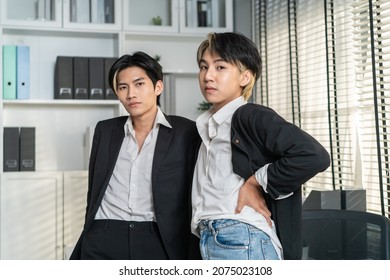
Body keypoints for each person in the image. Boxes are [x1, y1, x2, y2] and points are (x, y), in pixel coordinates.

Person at [191, 32, 330, 260]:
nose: (208, 76)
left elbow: (314, 156)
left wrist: (255, 182)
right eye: (204, 67)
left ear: (245, 77)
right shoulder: (208, 126)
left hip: (241, 237)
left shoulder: (250, 115)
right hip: (213, 237)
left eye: (220, 67)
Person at [70, 51, 201, 260]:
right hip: (103, 234)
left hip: (158, 238)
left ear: (158, 87)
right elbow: (94, 188)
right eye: (123, 87)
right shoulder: (105, 131)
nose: (131, 94)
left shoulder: (187, 132)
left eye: (139, 84)